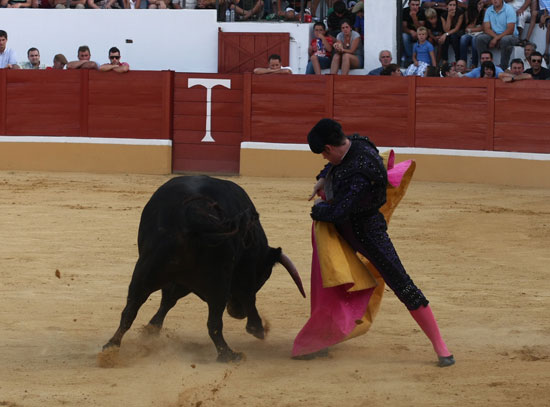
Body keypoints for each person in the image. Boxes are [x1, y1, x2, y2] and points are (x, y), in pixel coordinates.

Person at [295, 118, 455, 367]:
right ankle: (322, 338)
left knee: (401, 283)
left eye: (324, 157)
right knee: (328, 283)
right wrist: (324, 178)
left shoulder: (361, 172)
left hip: (367, 234)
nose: (325, 161)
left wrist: (317, 211)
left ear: (328, 148)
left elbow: (339, 212)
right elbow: (335, 168)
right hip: (346, 229)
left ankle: (442, 348)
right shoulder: (358, 143)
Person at [476, 0, 519, 70]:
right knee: (480, 39)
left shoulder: (509, 9)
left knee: (505, 40)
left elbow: (510, 30)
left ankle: (503, 68)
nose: (495, 0)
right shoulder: (489, 10)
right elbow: (486, 28)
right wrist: (496, 38)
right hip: (494, 34)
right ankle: (484, 67)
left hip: (511, 36)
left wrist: (496, 39)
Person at [460, 0, 486, 68]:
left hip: (480, 33)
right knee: (463, 38)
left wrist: (471, 29)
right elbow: (467, 27)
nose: (482, 5)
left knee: (475, 40)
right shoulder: (467, 12)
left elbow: (483, 28)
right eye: (479, 4)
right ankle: (463, 63)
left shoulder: (484, 12)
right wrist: (476, 15)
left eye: (482, 3)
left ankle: (474, 64)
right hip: (470, 33)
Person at [402, 0, 427, 66]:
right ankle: (411, 59)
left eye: (417, 5)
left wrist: (414, 18)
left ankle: (420, 60)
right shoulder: (405, 11)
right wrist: (411, 31)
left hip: (420, 33)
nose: (415, 7)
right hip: (409, 33)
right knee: (404, 36)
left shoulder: (422, 11)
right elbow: (403, 27)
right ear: (409, 4)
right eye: (413, 5)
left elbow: (421, 29)